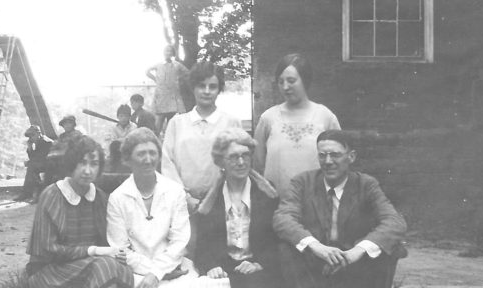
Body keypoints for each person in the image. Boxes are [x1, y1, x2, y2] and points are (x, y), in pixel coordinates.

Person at [273, 129, 407, 288]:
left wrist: (357, 251)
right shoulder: (303, 182)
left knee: (388, 249)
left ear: (351, 156)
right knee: (286, 247)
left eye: (335, 154)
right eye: (322, 155)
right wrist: (317, 247)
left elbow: (395, 222)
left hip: (353, 260)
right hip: (315, 258)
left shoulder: (366, 184)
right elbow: (282, 218)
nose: (328, 161)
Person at [26, 135, 134, 288]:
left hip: (87, 269)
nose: (87, 171)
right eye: (82, 163)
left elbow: (111, 239)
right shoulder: (53, 195)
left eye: (94, 164)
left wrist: (110, 251)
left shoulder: (100, 198)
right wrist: (95, 251)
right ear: (71, 164)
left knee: (125, 273)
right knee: (107, 266)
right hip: (50, 271)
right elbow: (47, 250)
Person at [107, 128, 202, 288]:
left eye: (152, 153)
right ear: (128, 159)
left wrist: (160, 271)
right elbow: (120, 248)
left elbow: (180, 239)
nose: (148, 159)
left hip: (175, 266)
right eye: (141, 154)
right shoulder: (117, 198)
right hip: (138, 271)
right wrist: (153, 273)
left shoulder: (174, 191)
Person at [191, 128, 279, 288]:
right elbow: (204, 243)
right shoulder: (213, 197)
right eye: (233, 158)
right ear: (221, 163)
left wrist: (259, 262)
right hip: (226, 262)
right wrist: (211, 265)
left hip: (256, 263)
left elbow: (275, 239)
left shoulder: (266, 196)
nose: (240, 162)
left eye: (245, 156)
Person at [254, 53, 340, 197]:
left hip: (317, 204)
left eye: (291, 80)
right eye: (281, 82)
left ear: (305, 80)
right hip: (277, 205)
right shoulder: (268, 118)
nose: (285, 87)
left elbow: (339, 162)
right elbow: (258, 166)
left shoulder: (325, 116)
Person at [162, 61, 242, 215]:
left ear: (219, 90)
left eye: (212, 86)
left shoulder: (231, 122)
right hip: (183, 205)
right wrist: (185, 198)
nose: (207, 91)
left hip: (221, 204)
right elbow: (167, 164)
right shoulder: (176, 123)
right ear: (193, 88)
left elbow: (239, 163)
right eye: (201, 86)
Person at [146, 44, 189, 136]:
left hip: (172, 95)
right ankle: (156, 140)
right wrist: (155, 79)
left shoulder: (177, 65)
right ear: (163, 53)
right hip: (161, 94)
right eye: (166, 51)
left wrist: (178, 81)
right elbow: (147, 71)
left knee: (171, 119)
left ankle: (169, 141)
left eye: (170, 51)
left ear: (173, 53)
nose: (168, 53)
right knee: (159, 118)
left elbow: (187, 73)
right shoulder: (158, 65)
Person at [14, 125, 53, 203]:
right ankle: (30, 194)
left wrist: (30, 162)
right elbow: (34, 158)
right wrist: (30, 148)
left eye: (33, 135)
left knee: (31, 167)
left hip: (53, 164)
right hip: (45, 163)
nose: (31, 138)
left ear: (39, 134)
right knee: (32, 168)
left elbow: (41, 158)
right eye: (30, 136)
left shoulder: (46, 142)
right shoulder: (39, 141)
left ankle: (28, 194)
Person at [47, 115, 84, 182]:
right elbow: (53, 148)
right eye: (65, 124)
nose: (67, 125)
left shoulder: (77, 135)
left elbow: (72, 149)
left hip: (72, 161)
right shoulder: (62, 136)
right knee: (49, 165)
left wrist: (58, 151)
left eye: (69, 123)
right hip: (59, 160)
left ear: (73, 125)